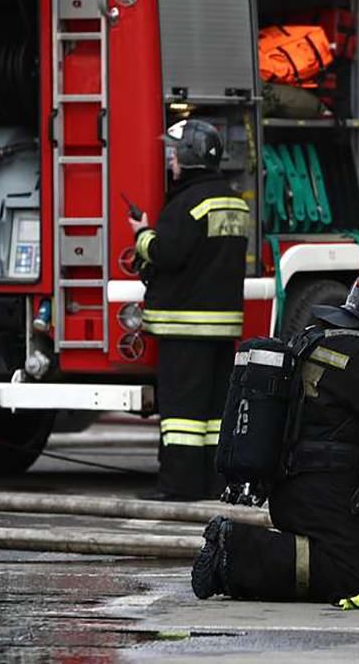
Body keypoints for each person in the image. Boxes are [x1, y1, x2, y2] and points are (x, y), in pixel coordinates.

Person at [191, 264, 359, 603]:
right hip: (323, 487)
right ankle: (233, 550)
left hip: (309, 484)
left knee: (353, 568)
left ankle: (241, 551)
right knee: (348, 577)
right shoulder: (356, 352)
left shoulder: (323, 336)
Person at [129, 119, 249, 501]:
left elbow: (167, 253)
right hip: (221, 327)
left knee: (181, 416)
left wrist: (142, 235)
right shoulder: (233, 201)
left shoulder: (186, 204)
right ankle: (215, 482)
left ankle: (178, 486)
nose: (170, 160)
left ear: (187, 156)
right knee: (215, 415)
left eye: (173, 153)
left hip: (184, 326)